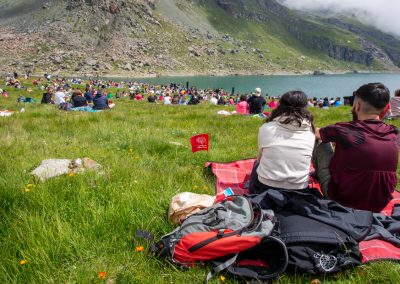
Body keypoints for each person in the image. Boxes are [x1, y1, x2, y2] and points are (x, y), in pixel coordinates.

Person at [314, 83, 399, 212]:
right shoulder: (394, 133)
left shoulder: (344, 130)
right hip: (379, 204)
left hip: (342, 201)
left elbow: (315, 132)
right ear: (387, 107)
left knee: (321, 141)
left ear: (357, 105)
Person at [249, 90, 315, 194]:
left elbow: (260, 158)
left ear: (280, 105)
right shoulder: (311, 132)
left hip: (265, 186)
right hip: (299, 189)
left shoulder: (266, 128)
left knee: (255, 165)